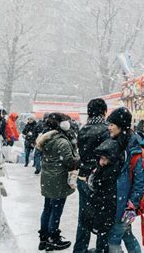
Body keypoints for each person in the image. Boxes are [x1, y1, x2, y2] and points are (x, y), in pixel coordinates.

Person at [36, 113, 79, 251]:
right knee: (56, 210)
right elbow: (70, 162)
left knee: (47, 208)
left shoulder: (47, 137)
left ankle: (43, 238)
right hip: (58, 180)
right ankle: (52, 238)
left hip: (47, 179)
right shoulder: (62, 141)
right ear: (62, 124)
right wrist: (79, 157)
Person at [106, 107, 144, 253]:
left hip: (124, 206)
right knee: (128, 236)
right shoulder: (119, 143)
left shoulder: (132, 148)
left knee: (113, 241)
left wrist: (132, 205)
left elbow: (140, 181)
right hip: (118, 204)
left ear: (121, 125)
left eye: (112, 124)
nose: (109, 127)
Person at [74, 98, 110, 253]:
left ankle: (80, 249)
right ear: (104, 111)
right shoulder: (106, 129)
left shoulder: (83, 129)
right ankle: (101, 249)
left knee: (84, 217)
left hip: (82, 177)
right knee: (103, 218)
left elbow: (81, 153)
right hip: (98, 180)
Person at [81, 139, 121, 251]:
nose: (102, 162)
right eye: (101, 158)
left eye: (105, 159)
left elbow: (104, 194)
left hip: (105, 211)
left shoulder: (110, 172)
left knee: (104, 236)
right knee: (103, 235)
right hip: (102, 210)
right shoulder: (103, 169)